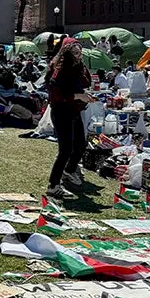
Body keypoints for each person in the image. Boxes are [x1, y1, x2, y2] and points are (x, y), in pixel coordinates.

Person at [44, 39, 92, 199]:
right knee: (65, 150)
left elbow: (87, 81)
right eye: (76, 53)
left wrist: (81, 65)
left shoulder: (78, 67)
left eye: (80, 53)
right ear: (67, 53)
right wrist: (78, 96)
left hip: (74, 110)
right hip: (61, 111)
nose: (79, 56)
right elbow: (56, 95)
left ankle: (69, 170)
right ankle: (53, 185)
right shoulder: (60, 69)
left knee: (80, 144)